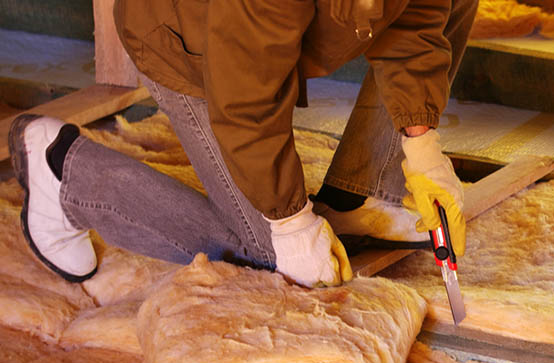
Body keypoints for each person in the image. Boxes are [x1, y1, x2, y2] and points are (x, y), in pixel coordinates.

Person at [9, 0, 474, 288]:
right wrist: (291, 223)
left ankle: (359, 196)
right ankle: (66, 173)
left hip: (255, 53)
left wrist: (422, 146)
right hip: (189, 46)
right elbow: (247, 102)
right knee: (271, 249)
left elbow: (415, 21)